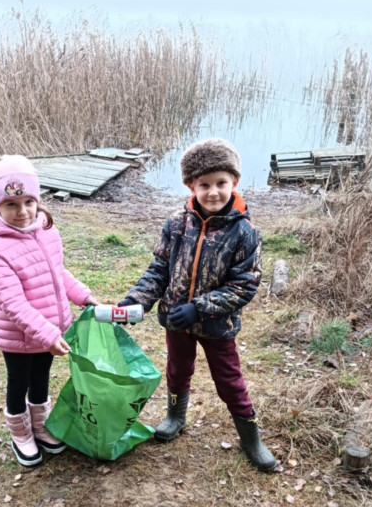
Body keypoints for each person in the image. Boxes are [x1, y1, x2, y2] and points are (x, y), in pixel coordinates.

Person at [118, 139, 276, 472]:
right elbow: (159, 269)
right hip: (177, 320)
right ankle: (176, 415)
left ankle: (251, 438)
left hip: (217, 325)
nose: (213, 192)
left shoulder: (245, 232)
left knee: (229, 381)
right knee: (177, 369)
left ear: (234, 183)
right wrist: (138, 301)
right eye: (204, 184)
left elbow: (245, 284)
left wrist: (201, 307)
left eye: (221, 183)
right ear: (191, 185)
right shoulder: (176, 223)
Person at [0, 155, 97, 467]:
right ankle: (21, 433)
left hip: (49, 333)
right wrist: (46, 334)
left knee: (41, 378)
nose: (22, 212)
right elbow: (12, 304)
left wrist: (82, 296)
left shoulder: (45, 230)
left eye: (29, 201)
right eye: (11, 205)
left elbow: (59, 273)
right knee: (19, 382)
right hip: (20, 335)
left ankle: (41, 425)